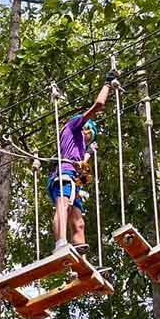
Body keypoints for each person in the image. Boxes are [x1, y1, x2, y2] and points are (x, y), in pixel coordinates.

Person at [49, 69, 118, 253]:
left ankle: (81, 261)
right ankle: (60, 244)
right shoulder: (73, 127)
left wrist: (85, 161)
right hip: (64, 173)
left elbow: (85, 180)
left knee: (79, 222)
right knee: (64, 206)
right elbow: (98, 105)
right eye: (87, 131)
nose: (87, 136)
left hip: (74, 181)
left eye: (91, 135)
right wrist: (108, 84)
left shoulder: (81, 150)